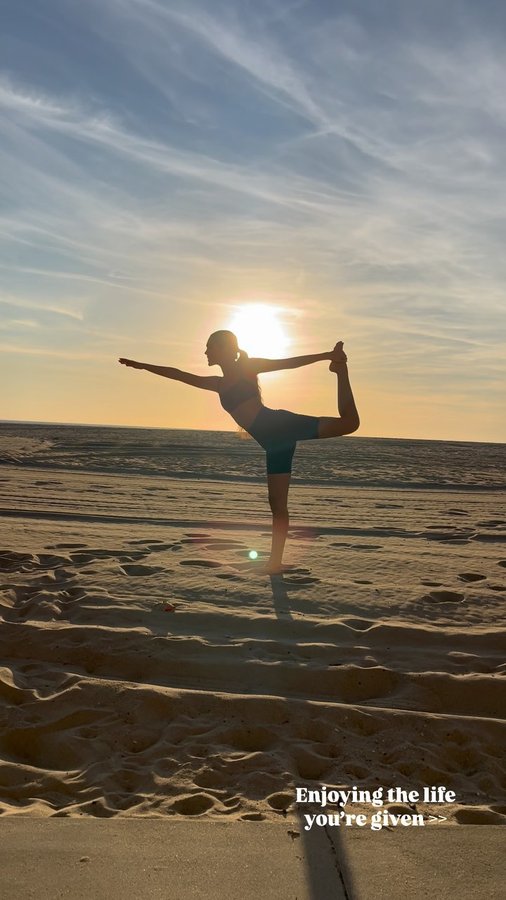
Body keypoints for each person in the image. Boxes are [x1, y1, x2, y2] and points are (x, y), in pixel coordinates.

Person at [119, 330, 359, 576]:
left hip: (280, 425)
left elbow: (289, 362)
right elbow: (179, 375)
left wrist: (327, 355)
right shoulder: (218, 384)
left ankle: (340, 370)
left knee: (350, 424)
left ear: (223, 348)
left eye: (209, 347)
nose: (205, 352)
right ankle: (275, 563)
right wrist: (142, 366)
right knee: (277, 505)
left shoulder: (248, 368)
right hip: (274, 445)